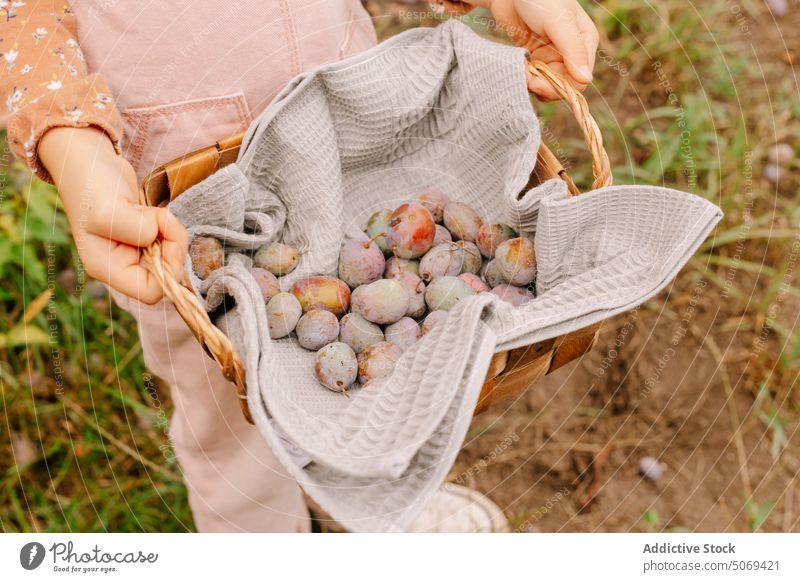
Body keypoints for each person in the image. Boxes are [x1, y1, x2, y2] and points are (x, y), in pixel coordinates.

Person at [1, 0, 598, 532]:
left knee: (393, 399)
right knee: (233, 436)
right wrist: (75, 146)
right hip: (191, 205)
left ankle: (381, 508)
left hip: (353, 149)